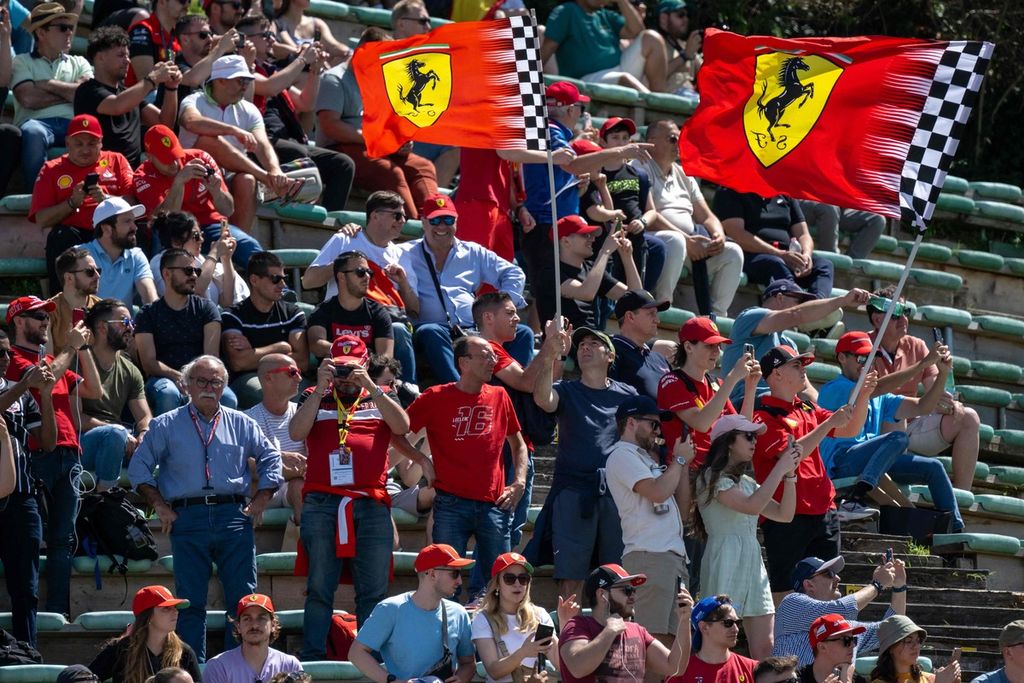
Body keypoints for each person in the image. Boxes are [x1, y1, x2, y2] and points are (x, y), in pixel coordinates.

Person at [128, 355, 283, 661]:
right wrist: (159, 505)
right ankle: (191, 671)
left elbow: (271, 458)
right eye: (201, 380)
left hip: (233, 516)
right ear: (186, 386)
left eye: (215, 381)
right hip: (187, 516)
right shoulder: (165, 424)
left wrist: (260, 500)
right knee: (189, 603)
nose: (209, 387)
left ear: (224, 386)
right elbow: (138, 470)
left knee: (243, 600)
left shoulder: (242, 422)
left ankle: (236, 670)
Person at [289, 336, 411, 653]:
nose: (345, 376)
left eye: (351, 368)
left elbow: (402, 425)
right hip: (322, 503)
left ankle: (368, 655)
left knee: (373, 589)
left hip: (370, 503)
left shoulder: (381, 396)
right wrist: (319, 388)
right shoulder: (313, 396)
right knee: (319, 587)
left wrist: (369, 385)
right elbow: (296, 432)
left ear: (365, 364)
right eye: (340, 368)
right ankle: (314, 655)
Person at [399, 335, 528, 600]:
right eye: (485, 355)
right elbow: (396, 432)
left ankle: (497, 639)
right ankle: (448, 637)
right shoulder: (435, 397)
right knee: (444, 582)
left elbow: (519, 444)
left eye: (494, 355)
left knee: (501, 585)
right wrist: (422, 460)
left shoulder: (500, 395)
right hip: (450, 504)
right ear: (463, 362)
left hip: (495, 503)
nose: (493, 360)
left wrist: (520, 482)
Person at [520, 82, 654, 327]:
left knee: (547, 296)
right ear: (571, 110)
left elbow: (637, 297)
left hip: (553, 227)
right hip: (549, 226)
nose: (580, 114)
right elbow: (570, 164)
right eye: (579, 108)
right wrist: (619, 151)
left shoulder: (549, 131)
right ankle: (540, 342)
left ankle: (543, 340)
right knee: (546, 296)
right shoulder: (552, 130)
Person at [6, 295, 99, 618]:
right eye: (37, 316)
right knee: (29, 538)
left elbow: (94, 391)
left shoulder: (51, 359)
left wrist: (81, 348)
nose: (45, 322)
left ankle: (58, 610)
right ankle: (27, 614)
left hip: (69, 452)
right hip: (35, 454)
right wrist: (70, 347)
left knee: (63, 538)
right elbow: (44, 380)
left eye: (47, 317)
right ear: (18, 322)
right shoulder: (11, 358)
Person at [753, 344, 870, 603]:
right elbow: (791, 456)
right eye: (796, 364)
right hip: (787, 515)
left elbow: (849, 429)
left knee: (828, 588)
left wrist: (864, 396)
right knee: (786, 591)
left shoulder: (806, 408)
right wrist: (828, 423)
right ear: (776, 374)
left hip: (823, 510)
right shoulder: (762, 417)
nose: (803, 368)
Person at [529, 327, 637, 601]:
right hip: (574, 492)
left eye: (594, 343)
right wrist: (551, 353)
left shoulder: (628, 395)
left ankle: (616, 638)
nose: (585, 348)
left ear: (610, 356)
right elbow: (543, 399)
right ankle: (569, 638)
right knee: (570, 577)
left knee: (618, 577)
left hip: (617, 495)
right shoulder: (566, 389)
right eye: (581, 345)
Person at [817, 331, 965, 531]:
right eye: (861, 358)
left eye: (871, 358)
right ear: (842, 358)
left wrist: (943, 373)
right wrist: (923, 364)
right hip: (841, 463)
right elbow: (874, 389)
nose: (866, 364)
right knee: (898, 438)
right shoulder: (834, 388)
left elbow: (923, 407)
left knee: (934, 468)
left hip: (871, 462)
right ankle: (855, 497)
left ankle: (954, 530)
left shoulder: (879, 396)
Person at [691, 415, 801, 659]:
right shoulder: (710, 477)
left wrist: (790, 475)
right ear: (729, 442)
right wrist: (780, 467)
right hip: (724, 557)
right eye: (748, 436)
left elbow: (785, 515)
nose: (754, 442)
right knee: (717, 641)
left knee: (766, 648)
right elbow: (752, 506)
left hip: (752, 560)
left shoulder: (749, 482)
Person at [404, 193, 533, 383]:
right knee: (430, 331)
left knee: (524, 333)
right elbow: (375, 251)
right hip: (434, 330)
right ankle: (459, 388)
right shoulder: (404, 251)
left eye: (448, 219)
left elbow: (514, 273)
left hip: (472, 329)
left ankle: (508, 393)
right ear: (423, 222)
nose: (442, 226)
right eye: (435, 220)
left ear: (456, 221)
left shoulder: (473, 251)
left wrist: (500, 311)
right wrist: (353, 233)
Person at [473, 295, 568, 548]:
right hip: (503, 448)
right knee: (501, 527)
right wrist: (548, 345)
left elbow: (542, 387)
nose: (518, 318)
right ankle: (487, 586)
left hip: (520, 446)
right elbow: (526, 381)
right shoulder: (486, 349)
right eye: (510, 312)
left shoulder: (501, 351)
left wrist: (557, 354)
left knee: (512, 529)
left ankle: (493, 584)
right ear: (488, 317)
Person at [315, 27, 437, 219]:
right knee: (391, 173)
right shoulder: (334, 79)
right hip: (341, 149)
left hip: (375, 147)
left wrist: (400, 140)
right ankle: (411, 229)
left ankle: (435, 220)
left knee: (423, 166)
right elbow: (331, 126)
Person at [865, 289, 981, 491]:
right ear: (876, 319)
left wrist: (946, 399)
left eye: (906, 312)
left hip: (911, 427)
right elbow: (874, 392)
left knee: (969, 417)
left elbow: (936, 389)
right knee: (895, 411)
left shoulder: (917, 345)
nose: (903, 319)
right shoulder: (862, 346)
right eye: (895, 313)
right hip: (873, 429)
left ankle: (961, 498)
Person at [238, 15, 355, 212]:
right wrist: (302, 59)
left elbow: (305, 103)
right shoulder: (241, 69)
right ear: (246, 40)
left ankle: (329, 227)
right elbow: (269, 87)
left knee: (343, 164)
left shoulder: (270, 70)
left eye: (272, 35)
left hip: (286, 141)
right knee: (298, 155)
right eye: (265, 35)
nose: (272, 40)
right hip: (260, 143)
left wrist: (315, 71)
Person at [302, 191, 419, 382]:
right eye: (397, 215)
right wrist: (345, 263)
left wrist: (403, 282)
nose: (402, 221)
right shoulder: (346, 239)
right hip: (341, 321)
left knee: (399, 328)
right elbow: (308, 281)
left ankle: (407, 389)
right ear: (375, 215)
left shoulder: (401, 255)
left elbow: (415, 310)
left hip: (381, 323)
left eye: (404, 216)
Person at [605, 396, 692, 650]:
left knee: (670, 645)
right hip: (649, 557)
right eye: (653, 424)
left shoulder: (646, 459)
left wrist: (683, 465)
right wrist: (678, 461)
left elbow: (683, 511)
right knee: (651, 644)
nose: (658, 431)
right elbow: (657, 492)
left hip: (669, 559)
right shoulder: (622, 454)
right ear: (631, 422)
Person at [179, 55, 301, 232]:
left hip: (228, 175)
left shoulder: (248, 109)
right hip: (192, 173)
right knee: (208, 141)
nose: (245, 86)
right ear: (220, 81)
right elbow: (190, 121)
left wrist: (275, 169)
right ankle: (265, 178)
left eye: (247, 80)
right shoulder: (194, 100)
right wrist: (232, 130)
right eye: (240, 80)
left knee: (247, 180)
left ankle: (236, 242)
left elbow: (262, 144)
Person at [640, 120, 744, 317]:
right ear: (652, 141)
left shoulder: (684, 174)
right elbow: (650, 215)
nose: (678, 144)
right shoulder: (640, 167)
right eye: (672, 139)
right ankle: (662, 307)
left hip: (689, 244)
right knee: (676, 240)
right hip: (657, 241)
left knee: (732, 252)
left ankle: (716, 318)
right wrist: (687, 240)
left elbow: (706, 215)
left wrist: (718, 235)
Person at [29, 113, 135, 293]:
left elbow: (133, 203)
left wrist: (108, 201)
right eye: (79, 143)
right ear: (68, 143)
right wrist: (71, 203)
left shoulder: (116, 160)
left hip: (108, 232)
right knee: (60, 235)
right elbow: (41, 219)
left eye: (92, 143)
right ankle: (63, 306)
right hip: (74, 235)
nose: (85, 149)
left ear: (101, 142)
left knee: (132, 231)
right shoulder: (52, 169)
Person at [134, 125, 262, 272]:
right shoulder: (142, 177)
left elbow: (228, 209)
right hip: (174, 232)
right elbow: (163, 221)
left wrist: (216, 192)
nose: (174, 164)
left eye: (175, 155)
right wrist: (179, 182)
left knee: (250, 247)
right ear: (150, 157)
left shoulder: (200, 157)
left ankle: (280, 291)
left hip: (210, 225)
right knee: (163, 243)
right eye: (166, 159)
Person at [720, 281, 870, 406]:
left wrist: (826, 418)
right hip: (743, 406)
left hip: (778, 405)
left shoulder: (788, 343)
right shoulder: (750, 316)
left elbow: (805, 388)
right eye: (800, 302)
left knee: (807, 415)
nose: (804, 306)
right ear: (779, 297)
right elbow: (796, 314)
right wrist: (843, 300)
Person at [348, 544, 477, 683]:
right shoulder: (390, 609)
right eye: (454, 574)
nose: (460, 581)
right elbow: (356, 653)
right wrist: (392, 681)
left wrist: (461, 679)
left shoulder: (459, 613)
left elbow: (468, 663)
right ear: (432, 573)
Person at [0, 330, 56, 648]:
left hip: (22, 500)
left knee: (26, 587)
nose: (6, 359)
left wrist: (45, 394)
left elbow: (47, 442)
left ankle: (27, 651)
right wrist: (24, 384)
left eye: (8, 353)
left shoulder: (21, 395)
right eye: (0, 353)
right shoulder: (18, 389)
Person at [134, 248, 231, 415]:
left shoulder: (207, 309)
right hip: (163, 379)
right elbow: (149, 364)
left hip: (203, 376)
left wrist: (195, 381)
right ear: (166, 274)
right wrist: (178, 376)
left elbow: (211, 357)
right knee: (168, 394)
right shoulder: (148, 314)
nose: (194, 275)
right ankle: (167, 441)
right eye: (188, 270)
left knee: (229, 398)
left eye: (196, 271)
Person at [559, 564, 693, 683]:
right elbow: (577, 667)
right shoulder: (577, 627)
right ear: (602, 594)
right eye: (627, 590)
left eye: (634, 590)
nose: (633, 596)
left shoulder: (638, 631)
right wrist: (609, 632)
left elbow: (675, 666)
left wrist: (684, 620)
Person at [658, 316, 760, 465]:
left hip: (715, 470)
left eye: (718, 346)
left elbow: (741, 430)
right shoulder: (672, 382)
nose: (716, 351)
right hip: (687, 471)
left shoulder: (716, 383)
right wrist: (732, 378)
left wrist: (750, 387)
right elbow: (701, 423)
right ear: (688, 347)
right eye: (709, 345)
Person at [74, 26, 181, 167]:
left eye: (128, 55)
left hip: (131, 175)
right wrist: (152, 79)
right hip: (101, 172)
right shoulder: (87, 91)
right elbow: (117, 106)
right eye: (121, 55)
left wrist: (171, 88)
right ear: (100, 57)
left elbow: (164, 124)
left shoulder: (129, 95)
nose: (127, 61)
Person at [13, 2, 92, 186]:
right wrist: (69, 92)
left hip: (74, 124)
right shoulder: (21, 61)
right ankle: (38, 195)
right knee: (33, 131)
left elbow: (85, 94)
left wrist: (46, 85)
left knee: (94, 129)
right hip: (38, 125)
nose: (70, 32)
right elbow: (28, 98)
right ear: (41, 33)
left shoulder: (80, 61)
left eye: (70, 27)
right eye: (63, 28)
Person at [773, 555, 905, 666]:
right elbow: (841, 609)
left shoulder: (845, 627)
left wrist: (899, 586)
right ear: (809, 585)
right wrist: (877, 584)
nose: (838, 578)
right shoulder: (791, 602)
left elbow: (894, 629)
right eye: (829, 574)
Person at [80, 299, 152, 491]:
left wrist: (144, 433)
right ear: (102, 327)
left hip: (117, 442)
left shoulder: (130, 369)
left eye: (132, 323)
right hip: (82, 444)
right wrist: (116, 430)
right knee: (115, 434)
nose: (131, 328)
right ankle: (106, 499)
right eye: (124, 322)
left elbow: (144, 416)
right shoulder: (79, 361)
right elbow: (75, 418)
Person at [222, 251, 309, 409]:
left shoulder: (293, 313)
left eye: (284, 279)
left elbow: (302, 360)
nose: (282, 285)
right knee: (270, 393)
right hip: (248, 378)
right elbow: (238, 363)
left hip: (288, 375)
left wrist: (253, 353)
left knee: (308, 394)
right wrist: (281, 347)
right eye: (275, 279)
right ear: (254, 280)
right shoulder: (233, 315)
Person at [716, 189, 835, 301]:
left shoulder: (784, 193)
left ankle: (817, 306)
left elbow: (803, 234)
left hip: (786, 255)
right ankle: (795, 309)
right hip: (752, 255)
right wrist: (779, 254)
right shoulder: (730, 191)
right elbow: (737, 234)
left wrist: (806, 256)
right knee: (776, 264)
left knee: (823, 265)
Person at [541, 0, 667, 92]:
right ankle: (657, 109)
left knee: (651, 37)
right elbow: (548, 47)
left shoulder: (605, 15)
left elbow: (636, 31)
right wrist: (529, 79)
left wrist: (621, 1)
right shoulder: (566, 10)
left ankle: (661, 97)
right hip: (585, 79)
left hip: (619, 69)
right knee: (624, 79)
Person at [472, 552, 560, 683]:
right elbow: (494, 671)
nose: (517, 583)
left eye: (523, 578)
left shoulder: (540, 615)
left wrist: (564, 623)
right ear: (497, 584)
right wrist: (524, 652)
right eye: (509, 578)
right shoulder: (483, 619)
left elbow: (561, 665)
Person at [88, 585, 201, 683]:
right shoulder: (121, 649)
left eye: (175, 607)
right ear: (147, 617)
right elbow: (85, 678)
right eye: (166, 608)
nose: (176, 612)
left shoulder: (184, 652)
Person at [244, 354, 306, 523]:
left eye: (299, 372)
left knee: (301, 487)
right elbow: (245, 466)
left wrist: (269, 465)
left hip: (294, 488)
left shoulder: (304, 414)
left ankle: (305, 542)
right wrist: (279, 460)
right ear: (268, 378)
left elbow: (310, 465)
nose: (299, 378)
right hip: (259, 489)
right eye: (292, 372)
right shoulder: (246, 419)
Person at [557, 214, 643, 330]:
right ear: (566, 241)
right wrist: (605, 251)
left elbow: (636, 299)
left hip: (592, 339)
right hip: (563, 343)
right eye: (585, 235)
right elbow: (586, 293)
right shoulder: (551, 271)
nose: (592, 239)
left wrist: (627, 257)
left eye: (591, 235)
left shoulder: (591, 269)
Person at [307, 251, 395, 361]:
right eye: (360, 272)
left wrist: (358, 358)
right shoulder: (322, 311)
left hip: (368, 374)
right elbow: (316, 345)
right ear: (341, 276)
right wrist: (351, 350)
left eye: (369, 272)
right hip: (333, 375)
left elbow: (385, 357)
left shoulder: (378, 312)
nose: (367, 276)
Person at [150, 211, 245, 308]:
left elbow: (227, 301)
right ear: (176, 242)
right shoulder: (160, 262)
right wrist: (215, 253)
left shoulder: (199, 259)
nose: (201, 240)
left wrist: (226, 258)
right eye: (196, 236)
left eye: (201, 234)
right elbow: (196, 290)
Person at [204, 594, 302, 683]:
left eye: (261, 618)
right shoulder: (218, 667)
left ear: (273, 624)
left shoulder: (290, 665)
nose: (254, 625)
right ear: (238, 626)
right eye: (247, 619)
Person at [84, 197, 159, 306]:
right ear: (106, 229)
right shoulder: (80, 256)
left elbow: (150, 297)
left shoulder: (136, 255)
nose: (135, 227)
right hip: (89, 323)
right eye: (127, 221)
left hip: (125, 323)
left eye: (133, 221)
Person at [675, 595, 757, 683]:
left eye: (737, 622)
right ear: (704, 627)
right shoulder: (680, 673)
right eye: (728, 623)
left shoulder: (753, 668)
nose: (736, 629)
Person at [609, 290, 673, 399]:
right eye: (651, 314)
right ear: (630, 317)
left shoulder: (659, 358)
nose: (657, 321)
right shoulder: (612, 353)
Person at [869, 616, 960, 683]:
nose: (916, 646)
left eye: (918, 640)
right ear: (890, 648)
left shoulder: (930, 679)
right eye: (908, 641)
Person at [48, 247, 102, 352]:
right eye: (90, 272)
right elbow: (47, 363)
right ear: (69, 278)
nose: (98, 276)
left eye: (98, 270)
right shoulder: (49, 312)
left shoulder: (102, 309)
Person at [799, 200, 885, 260]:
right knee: (829, 207)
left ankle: (851, 264)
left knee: (877, 219)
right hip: (806, 200)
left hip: (838, 206)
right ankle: (830, 261)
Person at [127, 0, 185, 89]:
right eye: (182, 1)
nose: (187, 4)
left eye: (189, 1)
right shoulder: (142, 30)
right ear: (162, 2)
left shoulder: (177, 35)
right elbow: (145, 81)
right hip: (141, 98)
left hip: (168, 94)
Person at [797, 614, 866, 683]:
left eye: (853, 639)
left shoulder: (858, 681)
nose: (853, 645)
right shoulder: (795, 678)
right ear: (822, 647)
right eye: (846, 640)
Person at [654, 0, 701, 95]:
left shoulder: (685, 46)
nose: (686, 19)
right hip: (668, 102)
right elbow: (655, 77)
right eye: (680, 15)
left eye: (687, 16)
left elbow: (707, 72)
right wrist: (685, 56)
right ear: (664, 18)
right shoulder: (653, 43)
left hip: (690, 98)